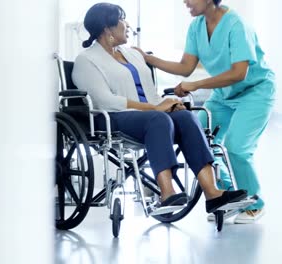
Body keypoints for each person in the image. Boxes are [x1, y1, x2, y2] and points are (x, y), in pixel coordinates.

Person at [72, 2, 248, 214]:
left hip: (148, 117)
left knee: (184, 116)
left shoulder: (133, 54)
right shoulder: (86, 60)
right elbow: (104, 100)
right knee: (159, 119)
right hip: (112, 118)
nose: (127, 24)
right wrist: (155, 109)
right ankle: (167, 194)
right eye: (122, 19)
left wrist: (170, 104)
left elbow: (152, 93)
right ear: (107, 28)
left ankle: (212, 193)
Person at [134, 0, 274, 223]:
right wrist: (149, 59)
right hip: (222, 95)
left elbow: (239, 73)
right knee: (201, 141)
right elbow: (185, 67)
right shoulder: (197, 26)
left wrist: (196, 85)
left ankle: (254, 203)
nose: (185, 1)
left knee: (236, 148)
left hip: (254, 92)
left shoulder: (237, 25)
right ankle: (227, 197)